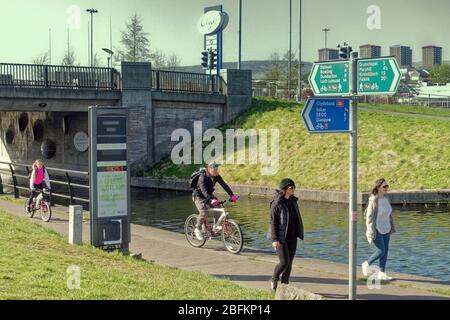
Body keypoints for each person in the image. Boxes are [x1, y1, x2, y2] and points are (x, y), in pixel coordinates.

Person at [269, 178, 304, 291]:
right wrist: (275, 239)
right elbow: (273, 222)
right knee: (284, 262)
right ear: (285, 189)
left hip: (292, 237)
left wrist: (299, 232)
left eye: (294, 187)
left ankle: (284, 286)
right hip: (281, 238)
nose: (294, 189)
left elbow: (296, 219)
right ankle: (274, 279)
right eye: (291, 187)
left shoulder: (293, 201)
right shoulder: (277, 203)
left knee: (289, 263)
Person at [192, 162, 238, 241]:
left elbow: (224, 185)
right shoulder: (203, 177)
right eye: (215, 169)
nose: (217, 171)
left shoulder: (216, 176)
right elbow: (203, 190)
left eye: (217, 169)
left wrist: (231, 195)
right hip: (198, 197)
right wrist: (210, 199)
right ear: (209, 169)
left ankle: (215, 227)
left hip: (209, 195)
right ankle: (197, 229)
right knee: (203, 212)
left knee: (219, 208)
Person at [362, 178, 396, 281]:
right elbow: (369, 217)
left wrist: (391, 227)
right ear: (378, 188)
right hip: (376, 228)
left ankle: (382, 273)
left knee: (385, 252)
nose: (386, 188)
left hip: (386, 228)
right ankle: (367, 263)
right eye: (384, 186)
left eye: (387, 186)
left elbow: (389, 214)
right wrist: (369, 231)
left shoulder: (386, 199)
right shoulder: (373, 200)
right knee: (381, 251)